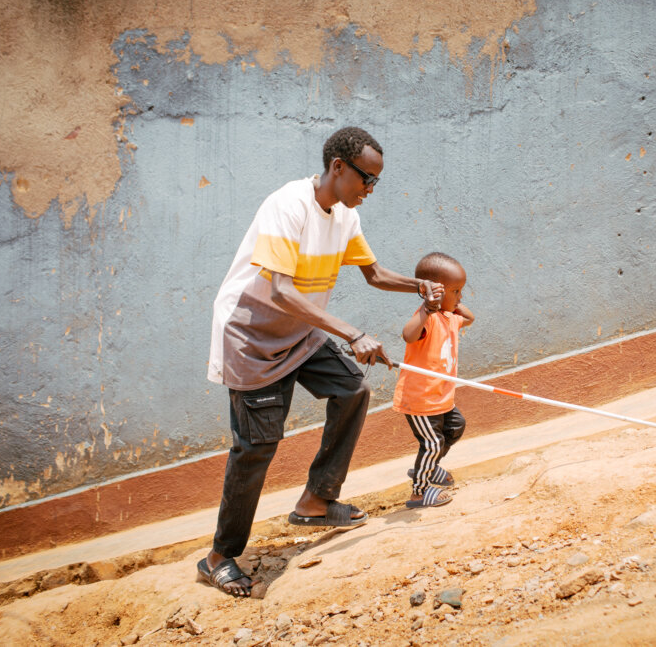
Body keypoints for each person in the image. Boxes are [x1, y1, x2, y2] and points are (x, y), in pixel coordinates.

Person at [199, 127, 443, 597]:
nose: (370, 190)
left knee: (353, 388)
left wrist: (418, 286)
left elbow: (372, 274)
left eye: (376, 182)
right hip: (253, 338)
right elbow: (280, 290)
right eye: (366, 179)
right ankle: (218, 557)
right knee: (256, 446)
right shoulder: (287, 206)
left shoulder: (344, 216)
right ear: (337, 168)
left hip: (301, 332)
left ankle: (316, 500)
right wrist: (352, 333)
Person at [391, 252, 475, 509]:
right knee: (432, 443)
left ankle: (429, 468)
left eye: (461, 291)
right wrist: (429, 307)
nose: (460, 297)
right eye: (457, 291)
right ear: (434, 293)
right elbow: (408, 335)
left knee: (455, 427)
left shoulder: (450, 317)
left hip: (441, 398)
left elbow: (470, 319)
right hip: (421, 400)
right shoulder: (427, 318)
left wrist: (454, 303)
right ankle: (420, 490)